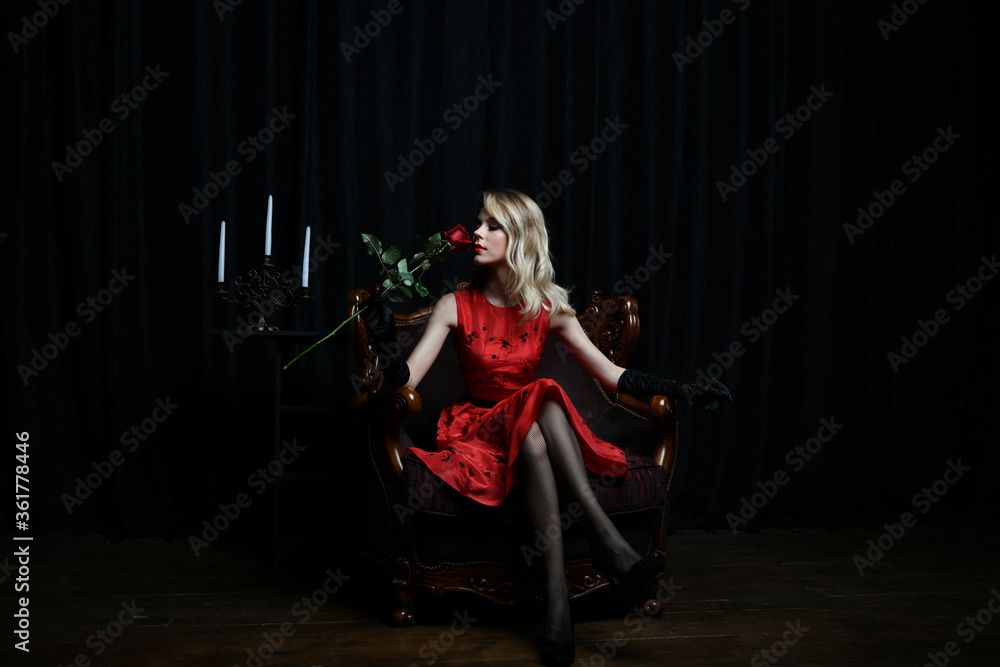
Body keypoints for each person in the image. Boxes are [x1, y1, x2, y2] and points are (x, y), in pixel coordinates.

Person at [362, 189, 731, 666]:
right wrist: (385, 343)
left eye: (492, 225)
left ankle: (558, 600)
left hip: (530, 429)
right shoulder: (454, 305)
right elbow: (406, 382)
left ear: (520, 238)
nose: (477, 233)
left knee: (538, 418)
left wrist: (686, 388)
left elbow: (612, 375)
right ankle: (603, 541)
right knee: (545, 395)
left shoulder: (546, 307)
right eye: (479, 222)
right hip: (475, 432)